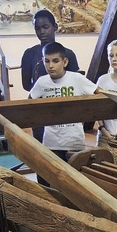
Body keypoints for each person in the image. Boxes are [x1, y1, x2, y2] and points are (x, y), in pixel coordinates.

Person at [28, 42, 98, 183]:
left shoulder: (76, 78)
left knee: (77, 182)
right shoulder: (42, 82)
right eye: (46, 61)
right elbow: (29, 103)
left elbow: (98, 93)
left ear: (64, 62)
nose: (50, 66)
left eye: (55, 61)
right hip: (51, 141)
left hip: (74, 141)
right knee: (50, 180)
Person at [21, 9, 80, 142]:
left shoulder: (68, 54)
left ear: (55, 27)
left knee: (66, 150)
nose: (42, 32)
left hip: (64, 110)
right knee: (43, 151)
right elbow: (26, 85)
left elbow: (74, 83)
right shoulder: (29, 54)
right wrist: (44, 91)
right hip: (39, 110)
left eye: (45, 27)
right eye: (37, 28)